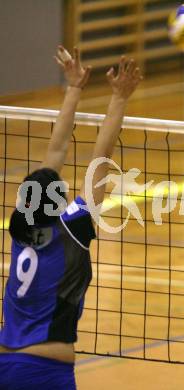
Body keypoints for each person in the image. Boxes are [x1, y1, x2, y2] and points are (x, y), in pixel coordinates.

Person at [0, 47, 142, 389]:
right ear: (58, 199)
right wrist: (119, 97)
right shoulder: (72, 225)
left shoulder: (21, 228)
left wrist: (75, 88)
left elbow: (55, 151)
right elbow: (101, 157)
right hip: (45, 371)